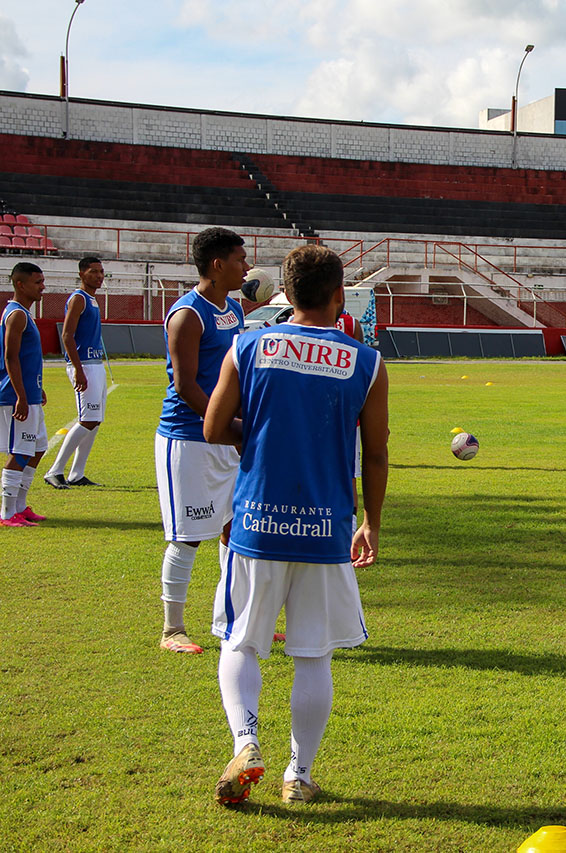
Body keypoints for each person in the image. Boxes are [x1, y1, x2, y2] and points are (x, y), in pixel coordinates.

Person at [204, 243, 388, 805]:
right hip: (327, 526)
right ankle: (299, 776)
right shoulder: (366, 361)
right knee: (312, 654)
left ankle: (246, 741)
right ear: (339, 295)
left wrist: (257, 434)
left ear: (285, 295)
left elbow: (213, 426)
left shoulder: (249, 344)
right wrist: (370, 523)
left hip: (257, 519)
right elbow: (376, 453)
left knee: (241, 642)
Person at [154, 227, 248, 654]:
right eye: (239, 260)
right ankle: (172, 629)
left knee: (234, 531)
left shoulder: (234, 309)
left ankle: (230, 619)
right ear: (217, 264)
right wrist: (226, 425)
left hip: (225, 437)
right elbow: (186, 385)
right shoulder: (187, 315)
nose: (246, 267)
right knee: (188, 536)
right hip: (188, 439)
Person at [44, 257, 107, 488]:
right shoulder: (79, 299)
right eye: (93, 272)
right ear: (82, 274)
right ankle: (54, 470)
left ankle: (77, 474)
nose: (99, 276)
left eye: (101, 272)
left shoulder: (92, 299)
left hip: (95, 364)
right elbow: (67, 335)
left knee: (95, 421)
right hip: (84, 365)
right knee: (87, 420)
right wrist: (78, 369)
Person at [0, 262, 49, 528]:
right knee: (20, 451)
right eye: (37, 282)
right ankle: (6, 514)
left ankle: (20, 506)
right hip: (17, 397)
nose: (42, 286)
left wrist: (37, 389)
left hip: (30, 393)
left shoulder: (25, 314)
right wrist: (21, 396)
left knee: (38, 448)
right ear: (20, 284)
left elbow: (27, 360)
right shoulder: (16, 315)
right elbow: (10, 357)